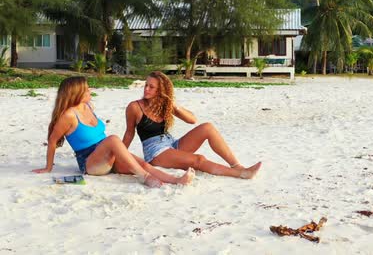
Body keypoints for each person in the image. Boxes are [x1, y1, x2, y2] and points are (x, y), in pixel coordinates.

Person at [33, 76, 194, 188]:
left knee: (143, 164)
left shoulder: (88, 106)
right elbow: (53, 140)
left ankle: (176, 180)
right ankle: (145, 178)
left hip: (107, 156)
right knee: (113, 139)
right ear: (76, 93)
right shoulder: (68, 115)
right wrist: (48, 167)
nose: (90, 91)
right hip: (91, 163)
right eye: (87, 89)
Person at [123, 71, 261, 179]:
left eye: (151, 87)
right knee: (198, 160)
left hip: (172, 144)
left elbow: (192, 120)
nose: (146, 89)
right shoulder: (135, 107)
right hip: (156, 152)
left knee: (208, 127)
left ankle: (237, 166)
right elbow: (129, 133)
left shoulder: (164, 105)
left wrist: (173, 105)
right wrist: (120, 155)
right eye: (146, 85)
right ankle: (241, 174)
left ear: (160, 90)